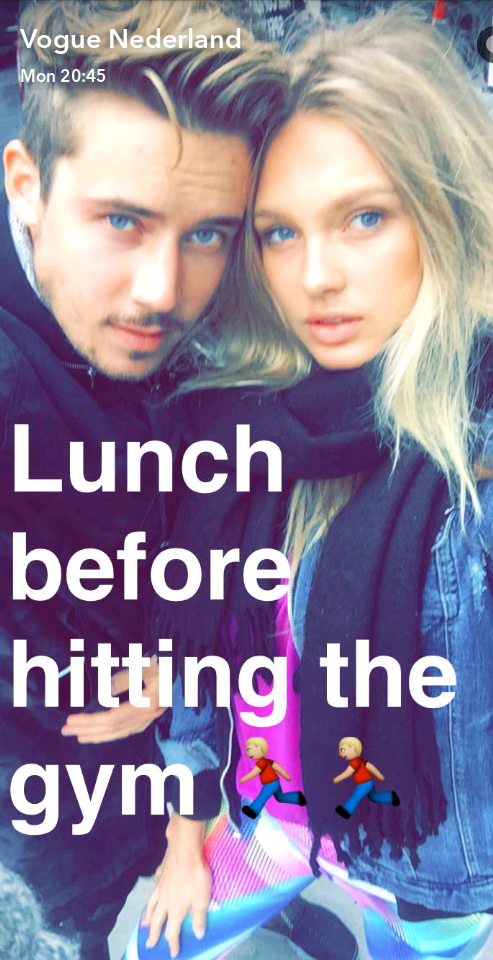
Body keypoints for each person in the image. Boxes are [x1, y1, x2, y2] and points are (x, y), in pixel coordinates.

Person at [137, 5, 493, 959]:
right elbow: (197, 644)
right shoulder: (246, 413)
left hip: (427, 872)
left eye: (365, 217)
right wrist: (186, 834)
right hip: (273, 820)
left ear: (448, 210)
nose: (315, 276)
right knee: (155, 948)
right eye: (279, 233)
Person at [0, 1, 286, 957]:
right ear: (27, 184)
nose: (164, 291)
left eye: (208, 234)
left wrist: (191, 657)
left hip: (214, 759)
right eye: (122, 221)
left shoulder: (246, 290)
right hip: (57, 798)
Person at [240, 736, 307, 819]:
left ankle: (253, 811)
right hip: (275, 782)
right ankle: (298, 797)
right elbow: (278, 768)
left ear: (259, 748)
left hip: (270, 783)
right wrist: (286, 776)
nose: (248, 754)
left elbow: (254, 772)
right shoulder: (268, 761)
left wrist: (245, 778)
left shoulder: (261, 763)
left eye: (249, 750)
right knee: (280, 797)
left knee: (263, 796)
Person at [333, 737, 400, 819]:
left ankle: (347, 810)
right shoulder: (361, 761)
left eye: (342, 750)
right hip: (368, 782)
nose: (340, 754)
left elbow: (348, 773)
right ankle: (392, 797)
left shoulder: (355, 762)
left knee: (357, 796)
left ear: (353, 748)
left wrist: (337, 779)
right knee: (374, 797)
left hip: (364, 784)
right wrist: (380, 776)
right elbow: (372, 767)